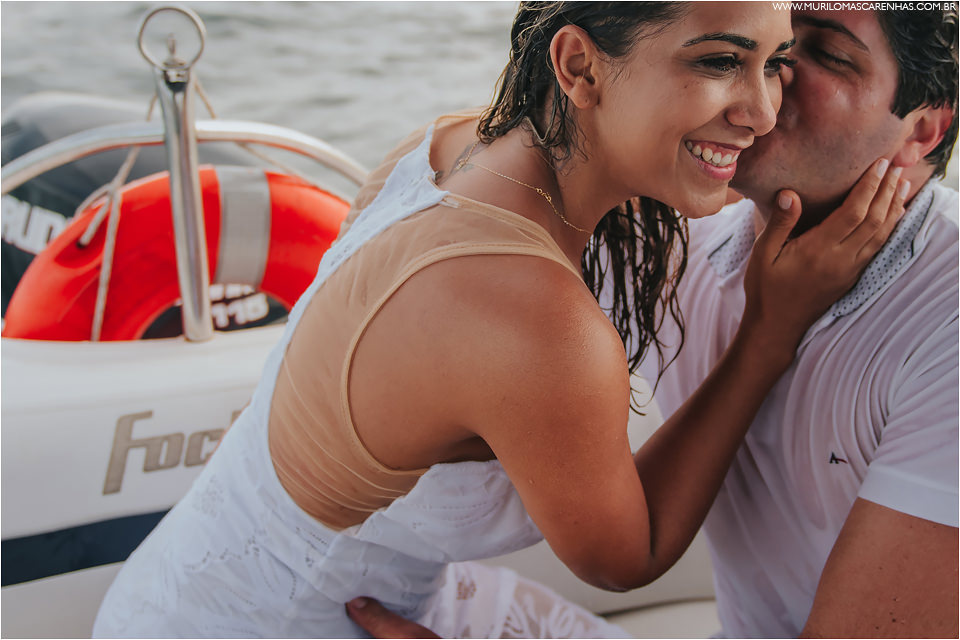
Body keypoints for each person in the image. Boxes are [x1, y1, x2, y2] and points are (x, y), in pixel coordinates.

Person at [93, 3, 907, 638]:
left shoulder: (453, 146)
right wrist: (768, 332)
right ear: (580, 64)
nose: (765, 111)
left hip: (189, 588)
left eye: (779, 65)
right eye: (722, 62)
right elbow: (632, 554)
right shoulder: (531, 321)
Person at [346, 6, 959, 639]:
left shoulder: (948, 322)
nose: (768, 81)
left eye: (826, 55)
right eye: (776, 44)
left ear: (924, 130)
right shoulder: (675, 237)